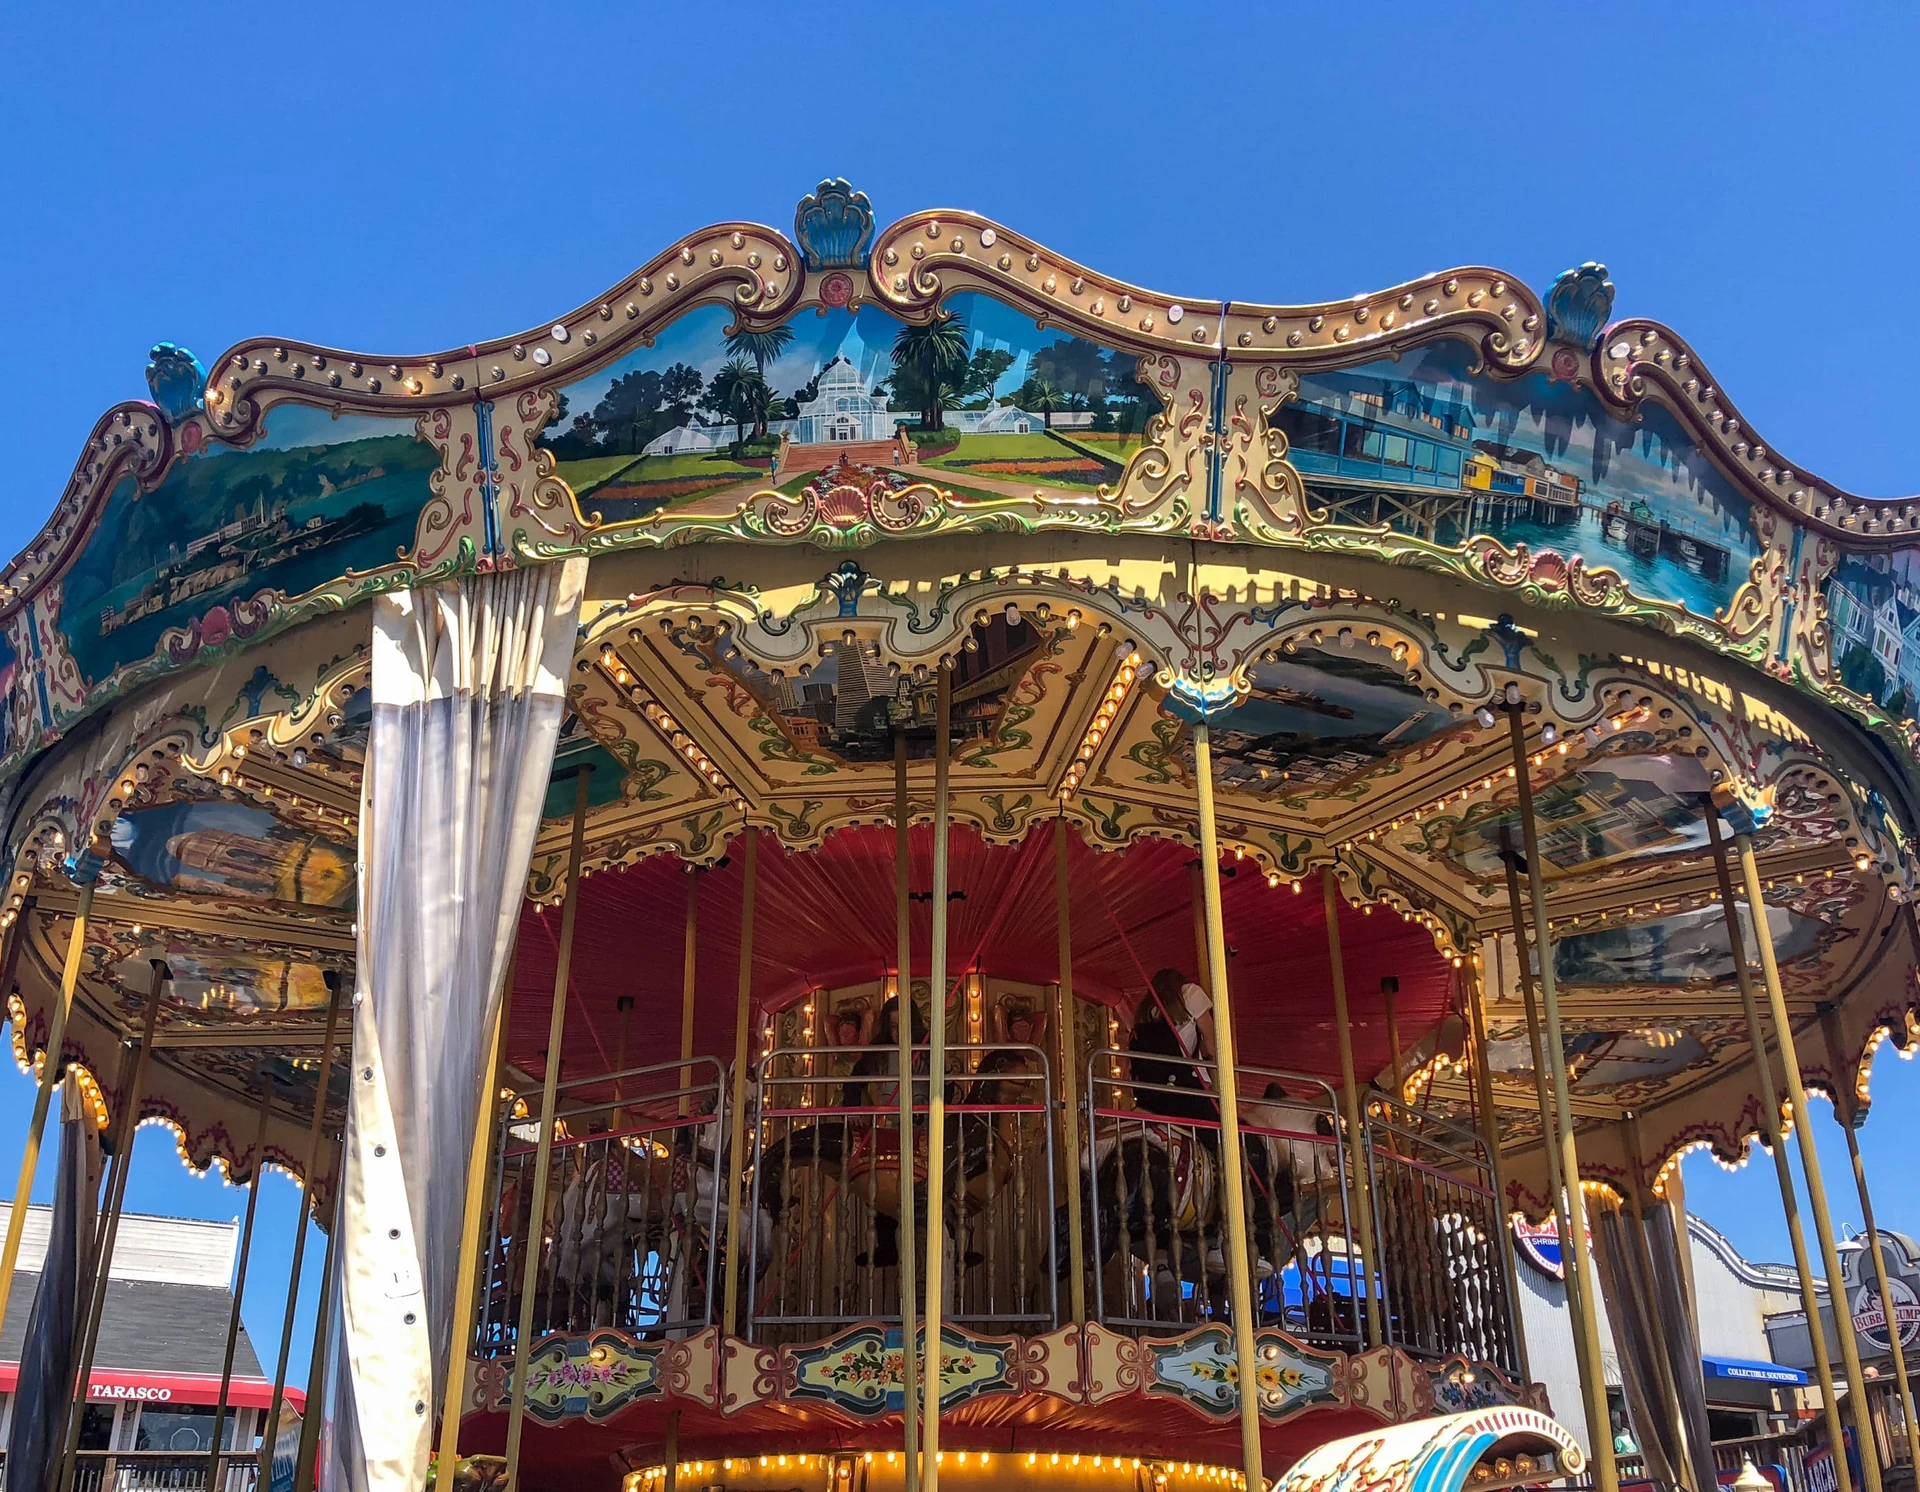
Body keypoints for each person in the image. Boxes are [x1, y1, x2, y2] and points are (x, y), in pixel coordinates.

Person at [1127, 968, 1217, 1126]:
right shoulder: (1190, 993)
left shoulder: (1147, 1011)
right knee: (1221, 1133)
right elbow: (1212, 1048)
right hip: (1184, 1092)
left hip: (1149, 1098)